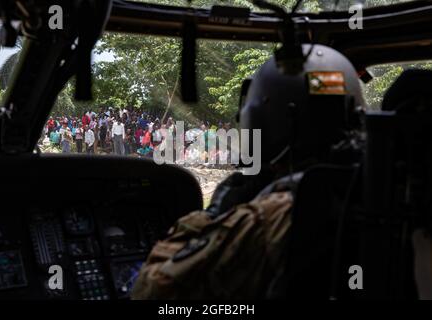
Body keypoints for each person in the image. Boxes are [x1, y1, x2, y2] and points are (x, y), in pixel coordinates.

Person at [131, 44, 365, 300]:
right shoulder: (378, 185)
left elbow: (151, 291)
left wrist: (211, 216)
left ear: (266, 123)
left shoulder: (271, 216)